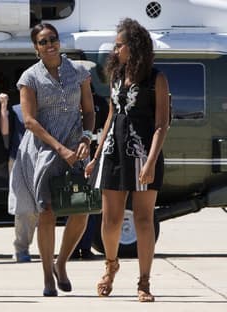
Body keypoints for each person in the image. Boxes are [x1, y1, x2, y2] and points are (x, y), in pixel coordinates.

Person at [85, 18, 170, 302]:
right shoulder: (116, 77)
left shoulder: (156, 78)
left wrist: (150, 162)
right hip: (112, 152)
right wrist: (96, 155)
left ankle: (144, 282)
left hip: (145, 154)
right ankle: (111, 266)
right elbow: (111, 115)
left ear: (133, 47)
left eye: (119, 45)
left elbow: (161, 124)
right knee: (109, 220)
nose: (114, 49)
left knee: (144, 220)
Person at [9, 23, 95, 296]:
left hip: (76, 148)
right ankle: (47, 276)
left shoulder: (80, 71)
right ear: (36, 48)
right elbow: (30, 121)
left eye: (53, 40)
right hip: (43, 151)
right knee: (46, 212)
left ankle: (61, 263)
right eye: (43, 42)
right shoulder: (29, 77)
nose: (50, 45)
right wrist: (61, 149)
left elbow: (89, 110)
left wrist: (86, 138)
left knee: (81, 211)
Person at [0, 92, 37, 263]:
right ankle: (21, 248)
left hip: (43, 158)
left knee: (42, 208)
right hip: (19, 159)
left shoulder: (48, 107)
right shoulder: (15, 110)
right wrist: (3, 108)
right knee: (23, 208)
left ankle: (45, 247)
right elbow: (5, 132)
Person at [71, 84, 109, 260]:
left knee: (81, 206)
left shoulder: (97, 103)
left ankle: (79, 248)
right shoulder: (99, 102)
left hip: (86, 159)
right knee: (82, 207)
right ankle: (79, 248)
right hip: (83, 159)